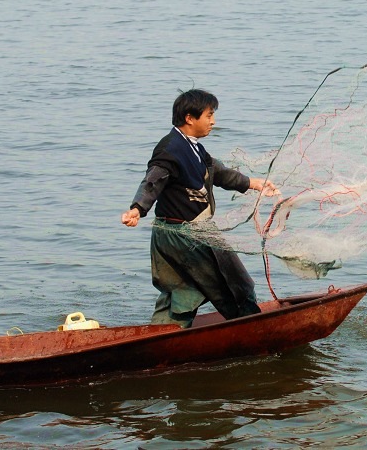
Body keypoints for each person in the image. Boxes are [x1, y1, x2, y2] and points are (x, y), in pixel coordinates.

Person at [120, 89, 279, 327]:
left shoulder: (193, 147)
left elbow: (218, 172)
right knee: (234, 283)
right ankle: (253, 328)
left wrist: (253, 183)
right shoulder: (170, 150)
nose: (213, 121)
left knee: (179, 290)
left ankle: (163, 337)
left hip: (168, 235)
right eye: (209, 115)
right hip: (186, 236)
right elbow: (153, 181)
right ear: (189, 118)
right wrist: (137, 209)